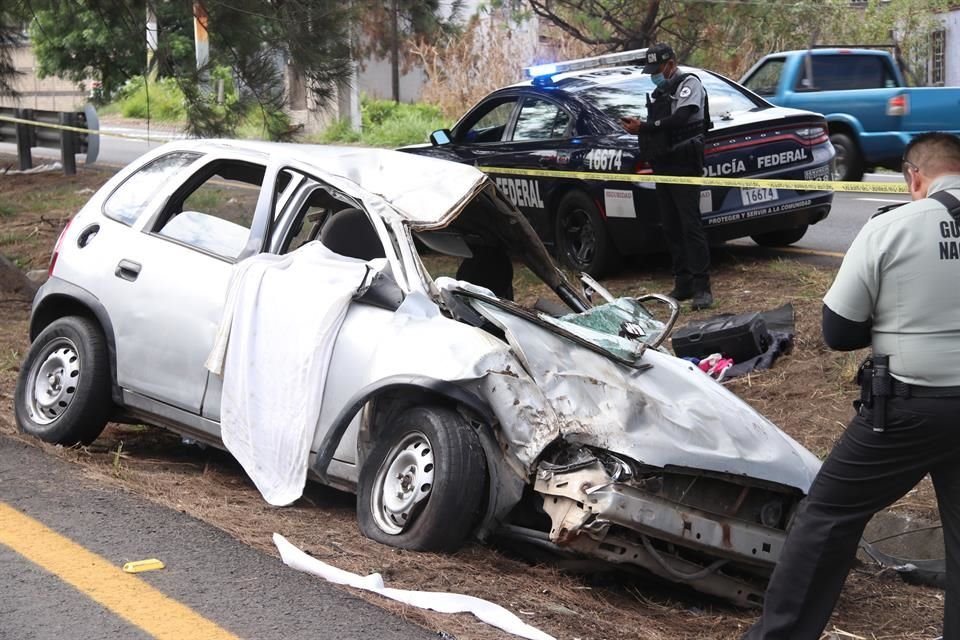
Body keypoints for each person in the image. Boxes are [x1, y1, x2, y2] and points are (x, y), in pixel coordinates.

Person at [743, 131, 960, 640]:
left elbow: (838, 332)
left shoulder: (894, 227)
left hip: (908, 408)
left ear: (914, 177)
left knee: (827, 517)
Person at [622, 43, 712, 309]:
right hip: (664, 163)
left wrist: (646, 127)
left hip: (684, 163)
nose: (654, 75)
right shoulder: (661, 91)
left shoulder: (689, 83)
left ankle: (702, 288)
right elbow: (661, 128)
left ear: (671, 64)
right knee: (671, 225)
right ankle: (682, 283)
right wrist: (640, 129)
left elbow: (682, 117)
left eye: (657, 69)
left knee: (690, 225)